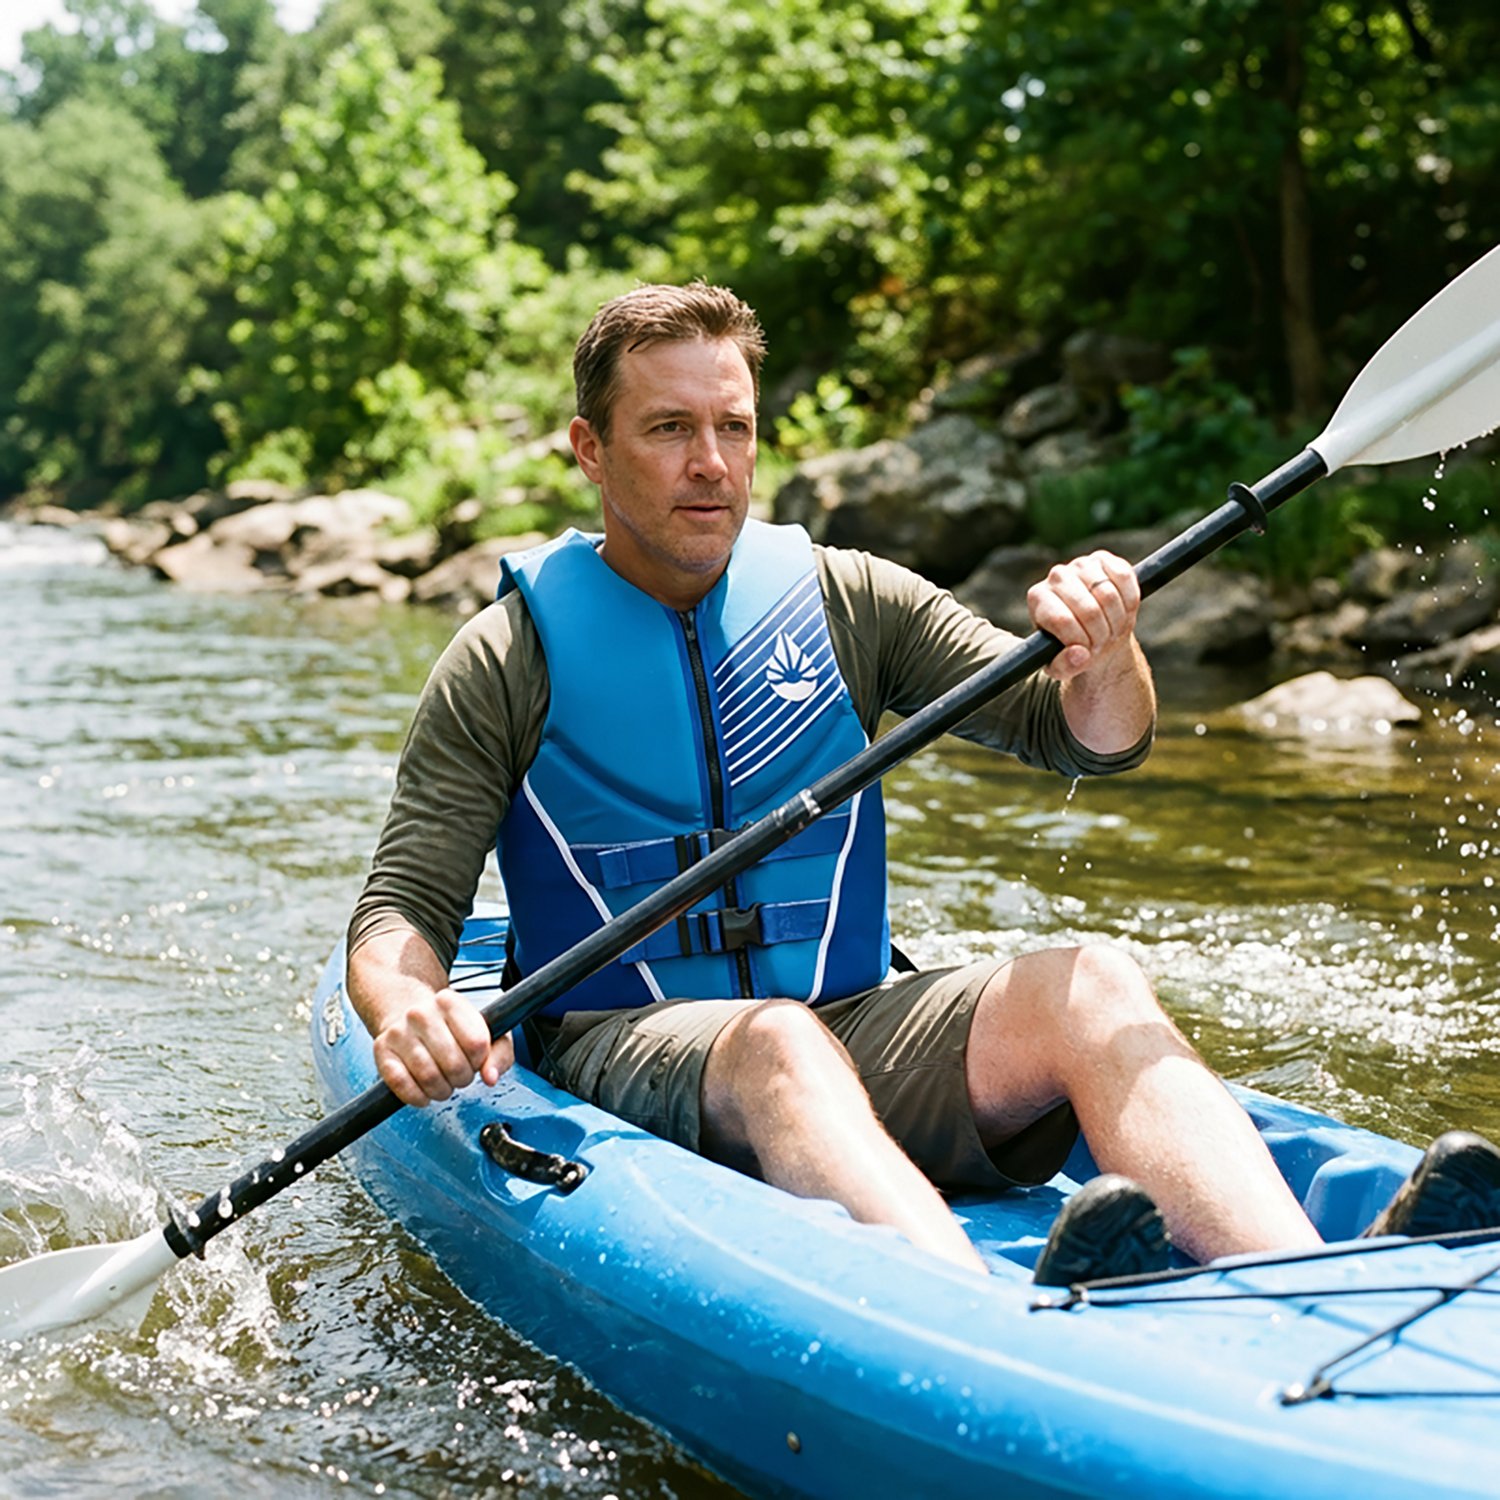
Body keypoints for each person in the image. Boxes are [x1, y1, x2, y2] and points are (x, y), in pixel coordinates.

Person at [347, 281, 1500, 1286]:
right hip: (625, 1046)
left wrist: (1109, 651)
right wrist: (409, 1013)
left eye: (734, 428)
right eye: (669, 429)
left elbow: (1088, 739)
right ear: (590, 448)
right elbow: (401, 912)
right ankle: (975, 1314)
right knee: (777, 1046)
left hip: (849, 1024)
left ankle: (1297, 1278)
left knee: (1088, 980)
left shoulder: (850, 599)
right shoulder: (511, 656)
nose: (712, 463)